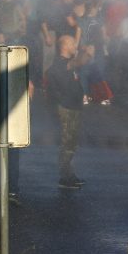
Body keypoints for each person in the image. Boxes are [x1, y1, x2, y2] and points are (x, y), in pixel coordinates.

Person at [46, 34, 88, 189]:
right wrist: (86, 52)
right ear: (64, 46)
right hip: (66, 108)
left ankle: (70, 174)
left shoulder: (66, 64)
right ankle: (65, 177)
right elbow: (79, 62)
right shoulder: (61, 63)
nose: (75, 46)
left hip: (73, 107)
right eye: (72, 43)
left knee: (72, 143)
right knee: (67, 143)